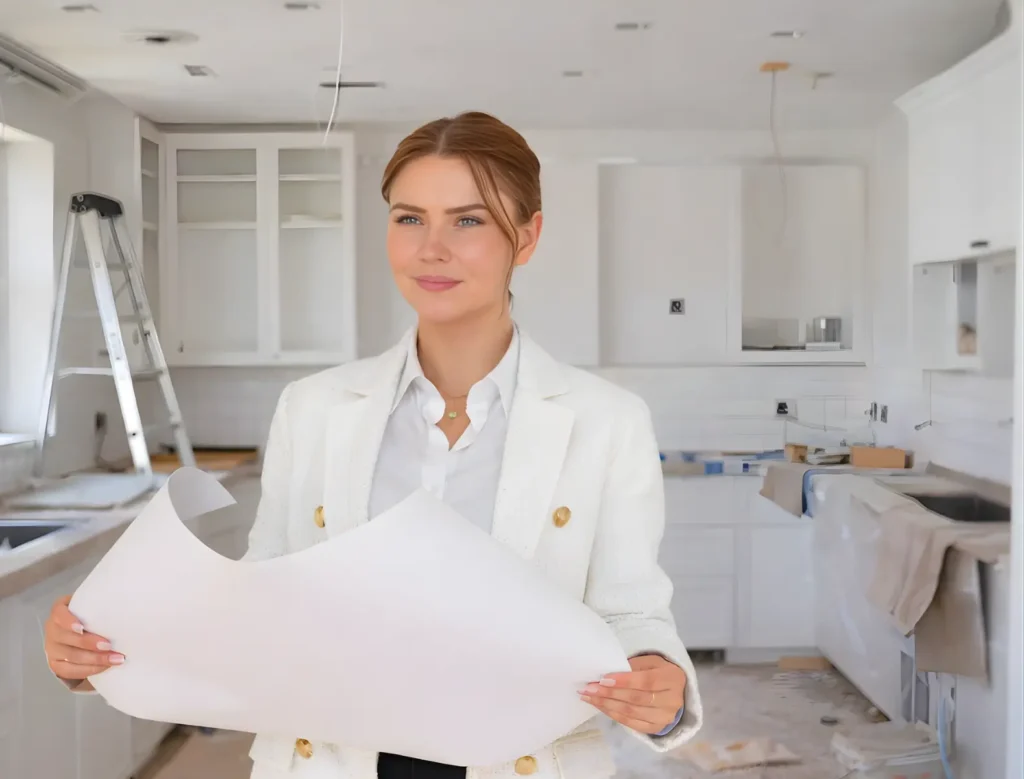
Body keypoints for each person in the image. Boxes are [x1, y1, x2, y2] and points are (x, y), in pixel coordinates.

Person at [43, 111, 702, 779]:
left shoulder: (606, 422)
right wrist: (105, 650)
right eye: (409, 218)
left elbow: (634, 613)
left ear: (526, 237)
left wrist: (660, 684)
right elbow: (257, 603)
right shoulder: (314, 408)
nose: (430, 248)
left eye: (468, 220)